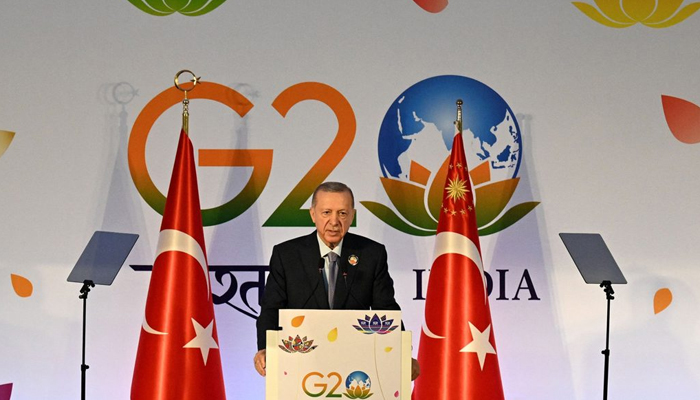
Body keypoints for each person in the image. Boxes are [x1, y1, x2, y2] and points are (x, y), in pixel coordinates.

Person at [253, 182, 419, 380]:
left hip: (355, 365)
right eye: (326, 213)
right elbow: (271, 308)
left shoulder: (372, 254)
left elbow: (386, 310)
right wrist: (265, 348)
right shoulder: (287, 254)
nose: (334, 222)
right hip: (301, 363)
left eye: (342, 213)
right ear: (313, 214)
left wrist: (401, 353)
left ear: (352, 216)